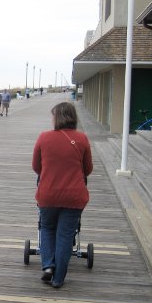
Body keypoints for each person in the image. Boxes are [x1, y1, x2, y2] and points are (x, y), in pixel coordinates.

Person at [32, 102, 93, 289]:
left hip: (48, 194)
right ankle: (58, 279)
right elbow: (88, 169)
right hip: (74, 196)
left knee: (47, 228)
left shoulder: (44, 137)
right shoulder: (82, 139)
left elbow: (36, 167)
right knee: (66, 235)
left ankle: (48, 265)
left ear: (57, 117)